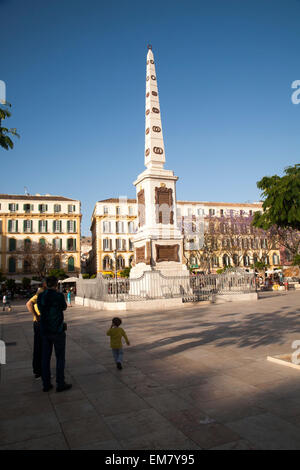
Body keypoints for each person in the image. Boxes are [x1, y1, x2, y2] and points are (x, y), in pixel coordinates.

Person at [37, 276, 72, 393]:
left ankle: (46, 384)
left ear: (46, 284)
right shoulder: (58, 296)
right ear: (56, 284)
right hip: (57, 330)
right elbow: (64, 307)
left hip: (45, 330)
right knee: (60, 358)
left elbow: (40, 309)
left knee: (45, 358)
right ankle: (60, 383)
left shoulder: (41, 296)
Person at [26, 283, 46, 378]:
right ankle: (39, 370)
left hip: (40, 323)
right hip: (39, 323)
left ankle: (38, 370)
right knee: (41, 347)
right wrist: (36, 315)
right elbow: (28, 303)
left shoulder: (42, 292)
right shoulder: (40, 293)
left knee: (39, 347)